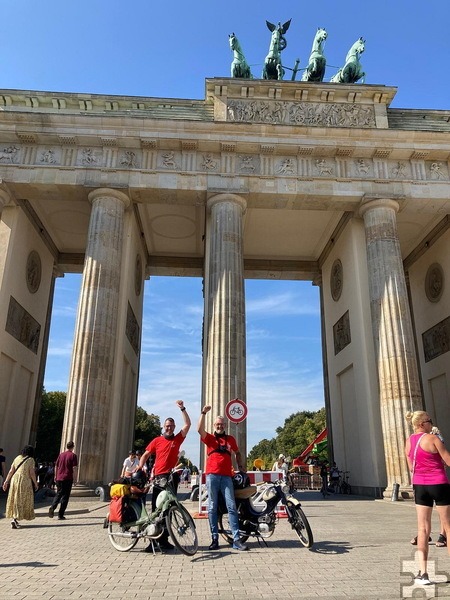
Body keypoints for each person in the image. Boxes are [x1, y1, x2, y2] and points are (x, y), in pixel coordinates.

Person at [138, 400, 191, 551]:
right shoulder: (157, 440)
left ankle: (165, 540)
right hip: (157, 478)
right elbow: (146, 454)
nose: (169, 428)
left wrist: (182, 409)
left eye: (171, 426)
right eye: (167, 426)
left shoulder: (177, 439)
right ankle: (153, 541)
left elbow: (187, 425)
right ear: (163, 427)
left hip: (171, 477)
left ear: (174, 428)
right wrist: (141, 467)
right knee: (156, 508)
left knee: (169, 509)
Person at [405, 410, 450, 585]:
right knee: (447, 526)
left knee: (422, 529)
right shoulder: (433, 439)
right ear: (422, 423)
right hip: (438, 483)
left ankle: (422, 574)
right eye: (429, 421)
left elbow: (411, 467)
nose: (431, 424)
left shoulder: (408, 441)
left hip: (420, 486)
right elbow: (447, 460)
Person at [197, 405, 248, 552]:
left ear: (225, 425)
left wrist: (240, 466)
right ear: (214, 426)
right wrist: (203, 413)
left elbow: (237, 453)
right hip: (212, 475)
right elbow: (199, 429)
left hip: (227, 477)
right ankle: (214, 539)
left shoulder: (230, 439)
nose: (219, 426)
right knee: (212, 507)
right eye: (217, 424)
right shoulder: (210, 438)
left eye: (221, 424)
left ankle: (236, 539)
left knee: (231, 507)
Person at [2, 445, 38, 528]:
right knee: (21, 499)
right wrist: (35, 483)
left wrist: (6, 481)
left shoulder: (17, 458)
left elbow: (11, 471)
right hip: (24, 481)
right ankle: (14, 519)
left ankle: (15, 519)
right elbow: (32, 473)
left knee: (14, 498)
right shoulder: (30, 460)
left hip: (15, 479)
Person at [48, 441, 78, 521]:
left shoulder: (61, 455)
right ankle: (60, 515)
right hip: (67, 478)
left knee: (58, 494)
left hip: (59, 477)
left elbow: (56, 466)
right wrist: (75, 479)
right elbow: (74, 468)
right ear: (73, 447)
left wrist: (55, 475)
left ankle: (52, 507)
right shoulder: (73, 456)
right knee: (65, 496)